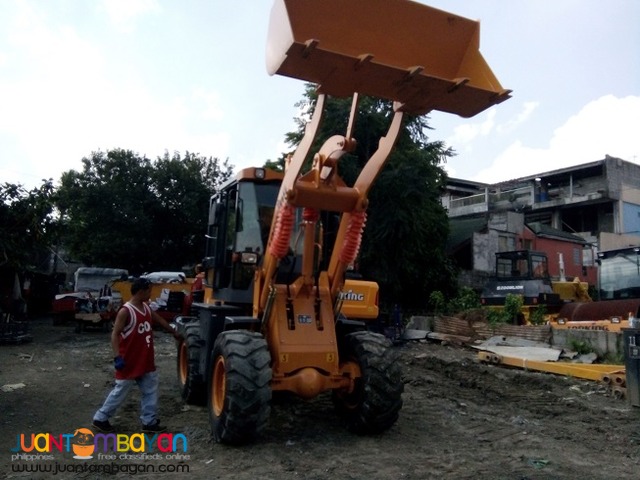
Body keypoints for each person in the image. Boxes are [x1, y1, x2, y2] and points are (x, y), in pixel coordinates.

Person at [92, 277, 181, 433]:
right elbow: (115, 335)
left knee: (150, 390)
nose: (150, 294)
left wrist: (173, 331)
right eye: (149, 291)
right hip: (129, 360)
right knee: (120, 391)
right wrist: (117, 357)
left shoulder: (146, 308)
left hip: (145, 359)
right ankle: (100, 418)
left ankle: (149, 422)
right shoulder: (126, 311)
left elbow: (159, 320)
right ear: (141, 291)